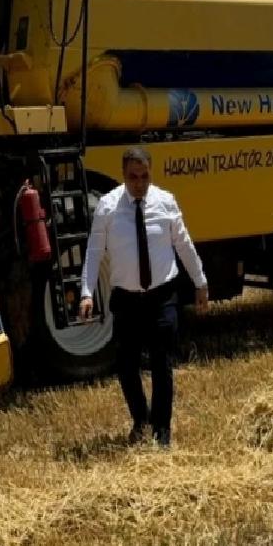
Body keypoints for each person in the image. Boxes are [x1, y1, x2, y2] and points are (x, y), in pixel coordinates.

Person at [78, 147, 208, 447]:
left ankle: (162, 430)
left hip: (162, 295)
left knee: (162, 362)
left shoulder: (165, 203)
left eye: (144, 176)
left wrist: (200, 282)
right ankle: (140, 419)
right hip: (126, 299)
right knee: (126, 364)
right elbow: (95, 252)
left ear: (151, 172)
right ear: (124, 175)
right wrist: (87, 293)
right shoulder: (108, 208)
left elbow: (184, 244)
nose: (139, 182)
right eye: (133, 177)